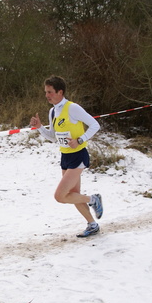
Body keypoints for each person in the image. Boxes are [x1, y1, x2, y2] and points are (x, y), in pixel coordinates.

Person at [30, 75, 104, 237]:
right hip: (65, 157)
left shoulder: (72, 108)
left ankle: (93, 199)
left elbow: (95, 125)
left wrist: (80, 140)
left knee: (60, 196)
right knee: (73, 195)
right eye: (45, 92)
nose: (47, 95)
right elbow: (53, 136)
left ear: (60, 92)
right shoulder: (52, 111)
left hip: (78, 155)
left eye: (50, 92)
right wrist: (40, 127)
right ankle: (92, 225)